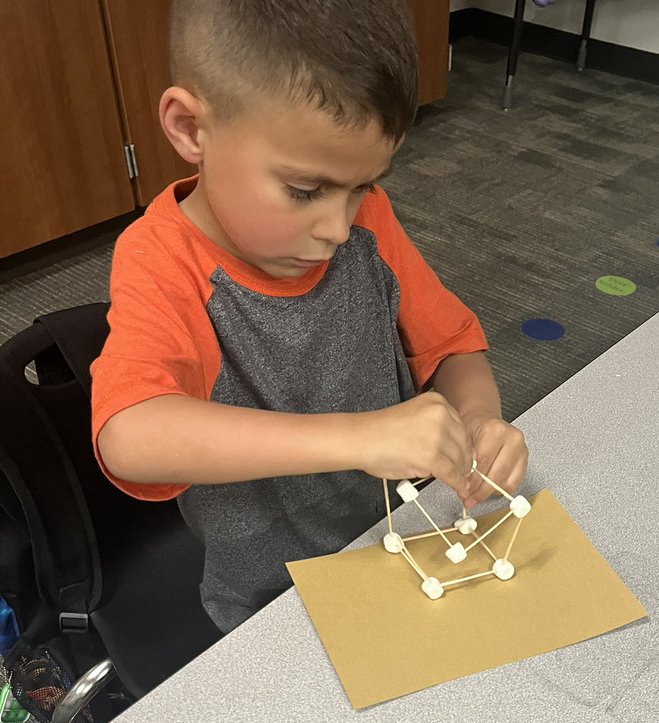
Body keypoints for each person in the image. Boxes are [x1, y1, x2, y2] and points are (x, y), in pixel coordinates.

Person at [91, 0, 528, 633]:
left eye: (362, 186)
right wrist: (359, 437)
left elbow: (454, 346)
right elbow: (129, 435)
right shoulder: (164, 260)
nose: (336, 226)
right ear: (190, 128)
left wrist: (480, 418)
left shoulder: (366, 225)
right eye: (303, 191)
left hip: (409, 541)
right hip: (279, 603)